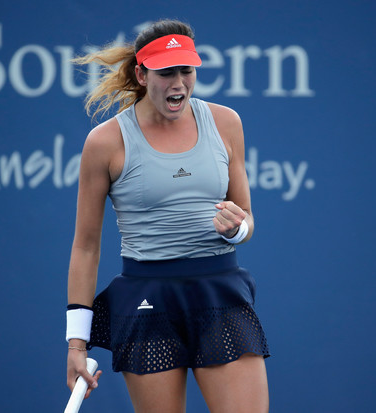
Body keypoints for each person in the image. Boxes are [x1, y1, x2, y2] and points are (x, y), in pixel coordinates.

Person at [65, 19, 270, 413]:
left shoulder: (226, 122)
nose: (178, 83)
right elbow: (86, 247)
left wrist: (236, 228)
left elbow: (246, 219)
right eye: (166, 73)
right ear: (142, 74)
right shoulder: (105, 142)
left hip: (220, 295)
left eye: (186, 71)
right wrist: (76, 344)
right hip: (147, 302)